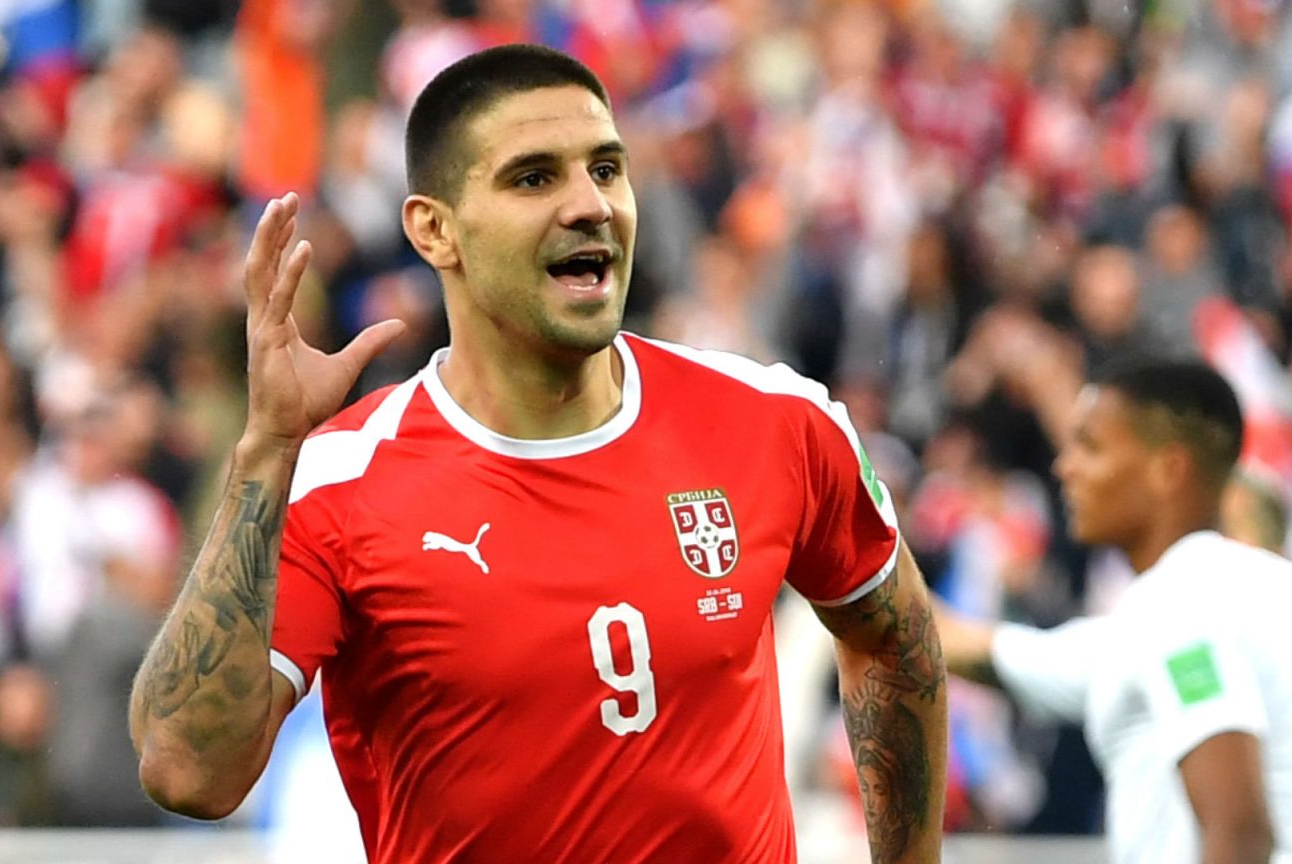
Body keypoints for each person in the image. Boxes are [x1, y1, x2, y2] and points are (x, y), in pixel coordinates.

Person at [129, 44, 946, 863]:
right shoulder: (338, 482)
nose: (591, 205)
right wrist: (267, 451)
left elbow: (896, 641)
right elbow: (189, 770)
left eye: (606, 169)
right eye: (533, 178)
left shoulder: (775, 420)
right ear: (435, 230)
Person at [935, 358, 1292, 863]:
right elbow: (963, 646)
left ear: (1168, 469)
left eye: (1091, 447)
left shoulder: (1178, 601)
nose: (1065, 467)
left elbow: (1240, 834)